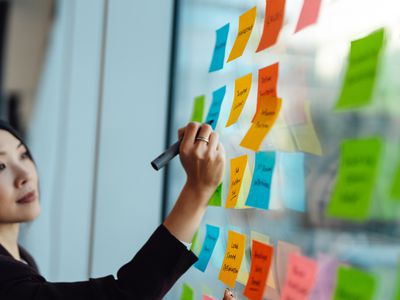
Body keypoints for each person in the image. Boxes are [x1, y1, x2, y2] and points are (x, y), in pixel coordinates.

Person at [0, 120, 227, 299]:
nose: (25, 175)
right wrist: (198, 191)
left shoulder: (20, 259)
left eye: (23, 154)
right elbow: (125, 295)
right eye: (0, 166)